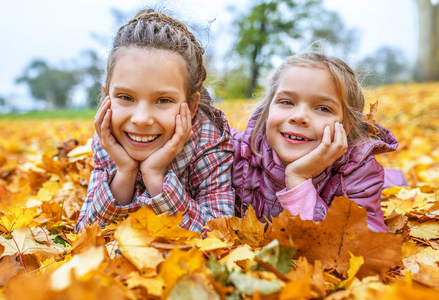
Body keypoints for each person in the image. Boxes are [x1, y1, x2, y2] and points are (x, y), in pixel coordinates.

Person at [75, 9, 235, 233]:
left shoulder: (209, 146)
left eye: (163, 100)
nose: (141, 119)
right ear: (107, 97)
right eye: (126, 97)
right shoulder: (108, 138)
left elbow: (220, 234)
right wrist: (125, 171)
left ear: (190, 106)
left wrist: (155, 175)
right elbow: (87, 234)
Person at [232, 52, 399, 232]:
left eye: (322, 108)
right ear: (266, 112)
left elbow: (360, 248)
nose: (299, 117)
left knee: (394, 181)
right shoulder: (235, 153)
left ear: (347, 125)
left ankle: (395, 179)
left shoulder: (359, 174)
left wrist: (299, 180)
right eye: (287, 102)